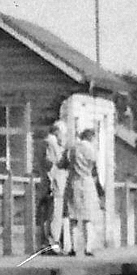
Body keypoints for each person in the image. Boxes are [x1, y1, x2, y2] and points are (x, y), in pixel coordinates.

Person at [59, 110, 103, 258]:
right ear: (91, 137)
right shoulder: (91, 149)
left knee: (72, 216)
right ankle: (88, 247)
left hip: (73, 182)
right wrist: (99, 185)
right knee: (88, 217)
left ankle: (71, 247)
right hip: (88, 182)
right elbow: (94, 168)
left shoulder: (72, 149)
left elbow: (62, 164)